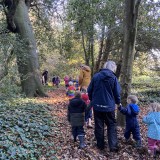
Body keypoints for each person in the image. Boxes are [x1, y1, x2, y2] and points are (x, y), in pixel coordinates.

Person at [87, 60, 121, 152]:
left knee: (99, 125)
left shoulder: (96, 76)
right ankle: (113, 146)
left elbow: (89, 90)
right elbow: (117, 93)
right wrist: (118, 102)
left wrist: (92, 99)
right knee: (111, 125)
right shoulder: (113, 78)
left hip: (97, 106)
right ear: (113, 68)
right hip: (109, 107)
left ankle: (100, 145)